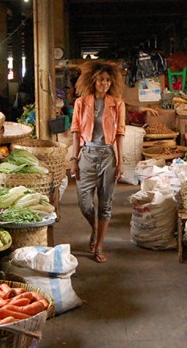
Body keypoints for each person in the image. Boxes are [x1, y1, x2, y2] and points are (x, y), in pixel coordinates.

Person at [69, 61, 126, 263]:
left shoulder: (117, 103)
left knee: (105, 204)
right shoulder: (81, 102)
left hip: (108, 156)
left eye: (108, 80)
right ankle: (95, 228)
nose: (104, 83)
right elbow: (76, 132)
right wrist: (74, 159)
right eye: (101, 79)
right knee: (84, 203)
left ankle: (99, 245)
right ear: (93, 80)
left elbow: (120, 134)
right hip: (87, 155)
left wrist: (120, 162)